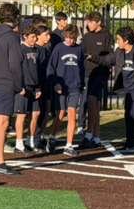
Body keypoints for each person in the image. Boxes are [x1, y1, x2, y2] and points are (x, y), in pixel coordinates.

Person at [0, 3, 23, 173]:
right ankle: (0, 162)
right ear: (15, 18)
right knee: (3, 121)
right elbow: (15, 64)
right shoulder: (11, 37)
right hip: (5, 81)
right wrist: (18, 85)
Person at [47, 23, 86, 156]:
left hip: (74, 87)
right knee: (61, 113)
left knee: (72, 114)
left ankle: (69, 145)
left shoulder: (79, 49)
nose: (69, 40)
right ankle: (52, 137)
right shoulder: (59, 48)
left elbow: (81, 68)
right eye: (67, 37)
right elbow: (51, 67)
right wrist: (55, 83)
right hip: (61, 87)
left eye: (72, 38)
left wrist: (81, 83)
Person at [81, 13, 113, 147]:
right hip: (87, 74)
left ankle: (92, 135)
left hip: (100, 74)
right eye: (87, 22)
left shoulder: (107, 36)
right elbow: (82, 53)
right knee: (90, 104)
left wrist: (95, 58)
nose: (88, 25)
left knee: (95, 104)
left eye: (91, 22)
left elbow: (109, 57)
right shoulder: (86, 36)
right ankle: (93, 136)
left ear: (98, 22)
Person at [14, 26, 44, 153]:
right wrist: (19, 87)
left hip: (34, 86)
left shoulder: (37, 50)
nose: (35, 39)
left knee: (36, 113)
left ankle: (31, 140)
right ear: (25, 37)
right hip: (23, 87)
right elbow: (16, 70)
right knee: (21, 115)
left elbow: (38, 70)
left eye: (36, 37)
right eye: (32, 37)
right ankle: (19, 144)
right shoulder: (20, 49)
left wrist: (38, 87)